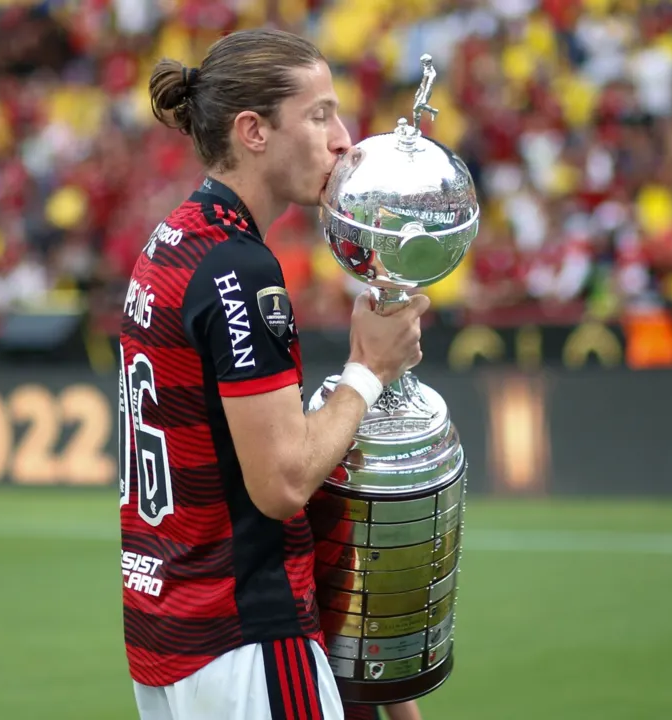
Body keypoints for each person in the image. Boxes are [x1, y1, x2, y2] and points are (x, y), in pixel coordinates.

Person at [117, 27, 430, 720]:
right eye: (319, 115)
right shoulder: (237, 266)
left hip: (170, 634)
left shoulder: (173, 238)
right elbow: (282, 481)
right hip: (244, 635)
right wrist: (368, 369)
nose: (344, 138)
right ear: (253, 130)